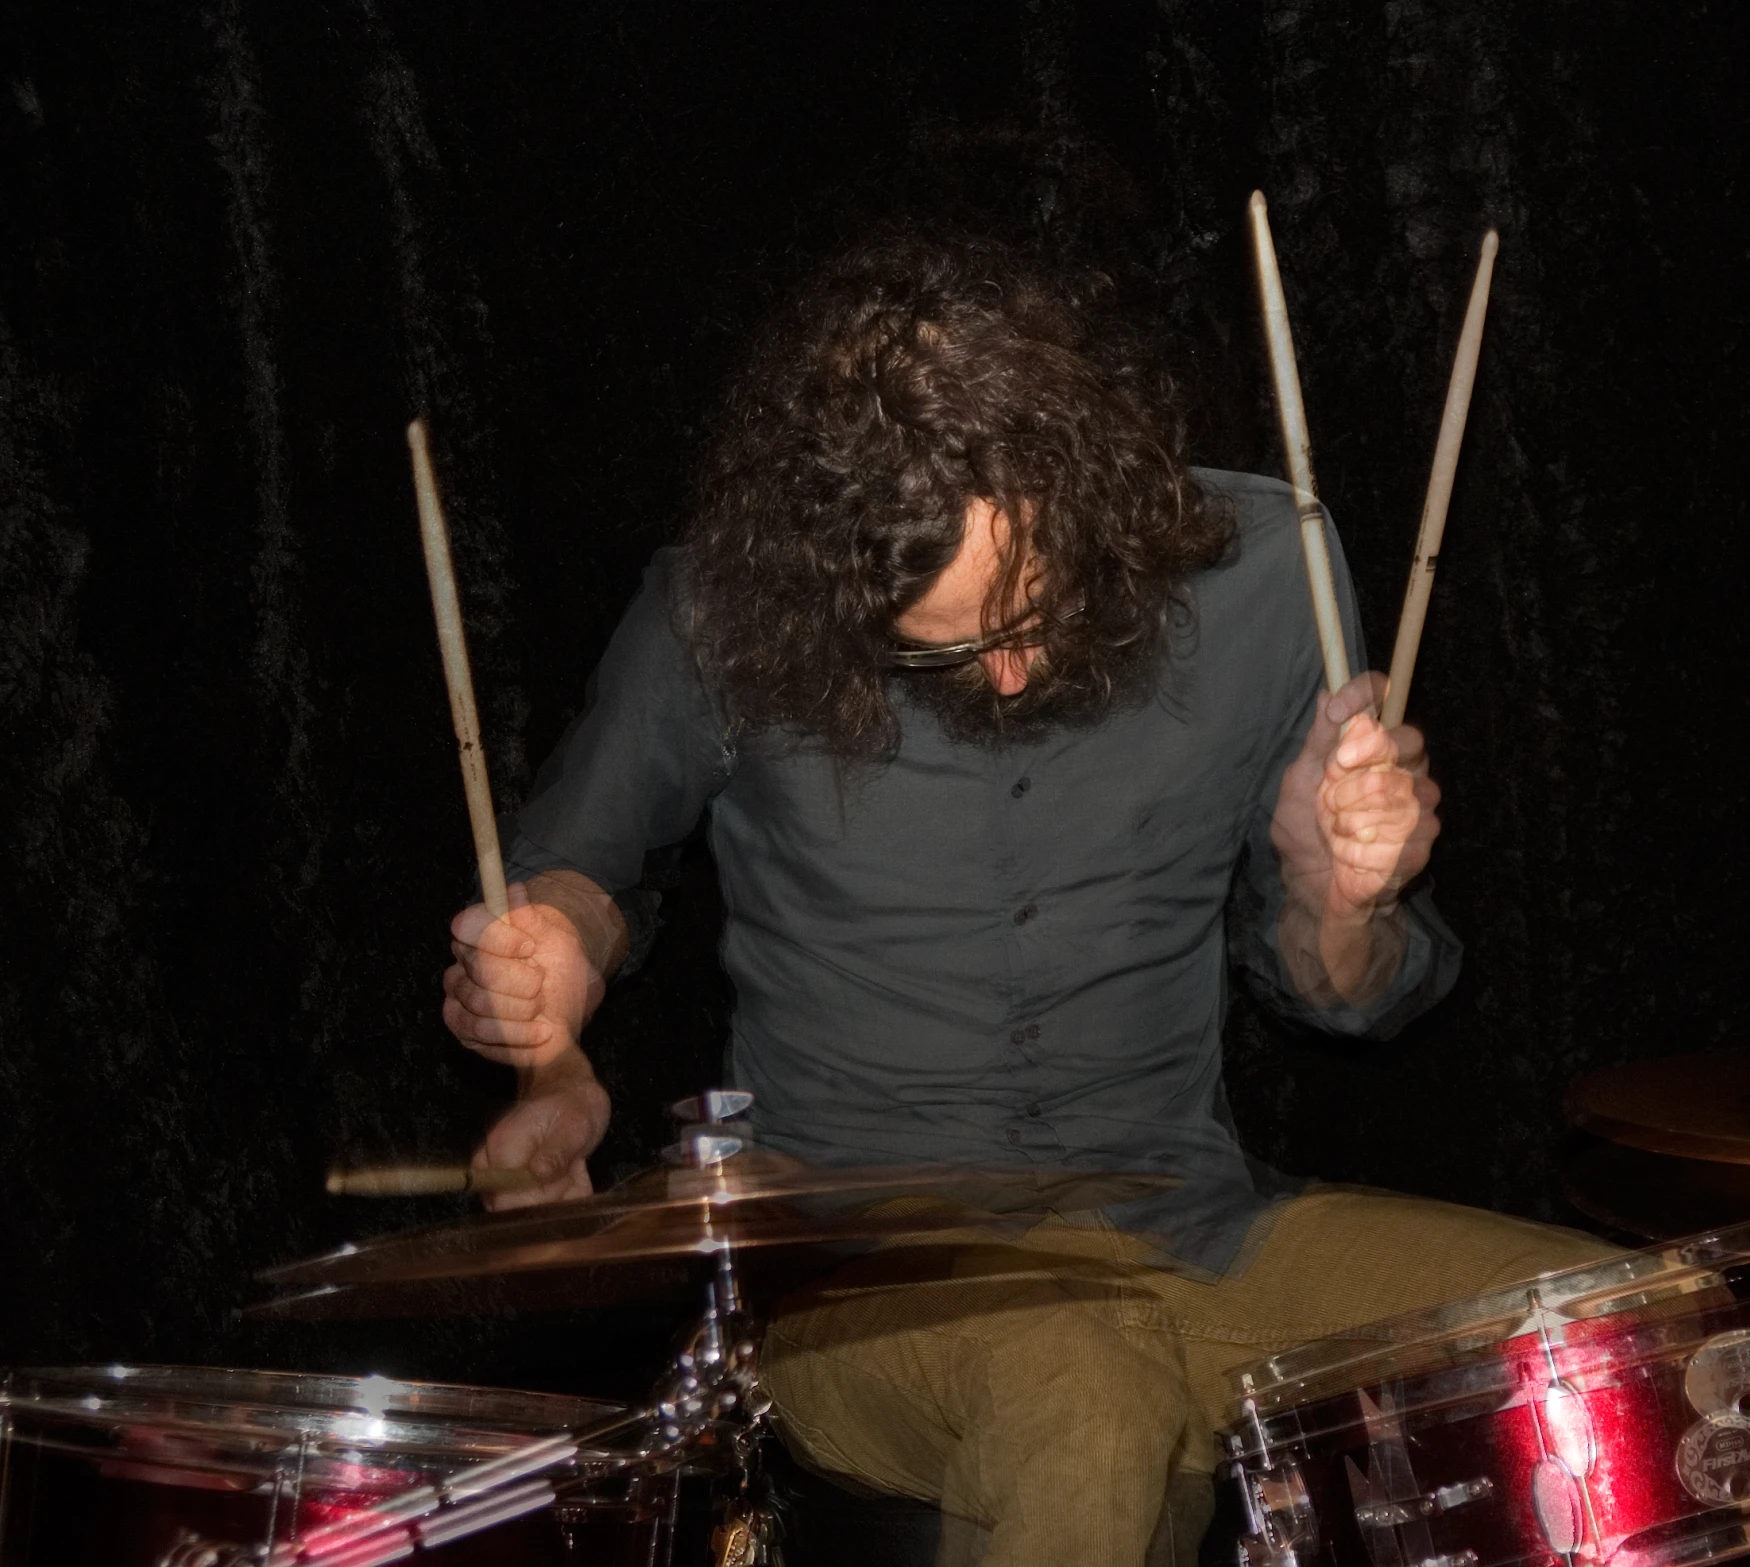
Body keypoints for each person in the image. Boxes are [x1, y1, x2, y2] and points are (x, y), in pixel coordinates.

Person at [441, 233, 1614, 1566]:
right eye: (944, 652)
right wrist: (552, 1027)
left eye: (1029, 609)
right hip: (860, 1283)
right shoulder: (724, 605)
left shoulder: (1265, 573)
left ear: (1092, 479)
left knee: (1633, 1336)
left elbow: (1341, 995)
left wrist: (1343, 897)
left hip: (1190, 1230)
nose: (1005, 676)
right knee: (1088, 1395)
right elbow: (575, 879)